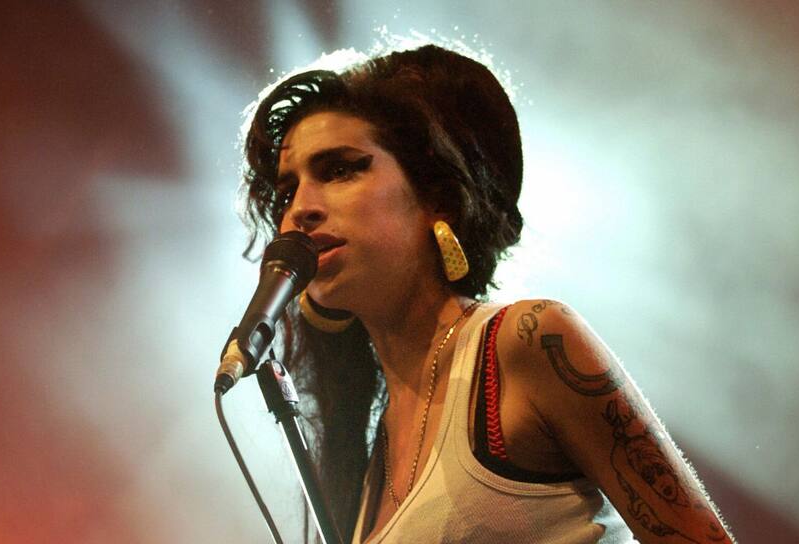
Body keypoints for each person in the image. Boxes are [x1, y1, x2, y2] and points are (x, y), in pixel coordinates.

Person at [238, 44, 733, 543]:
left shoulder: (528, 342)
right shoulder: (370, 465)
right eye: (287, 192)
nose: (299, 210)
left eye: (340, 169)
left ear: (436, 197)